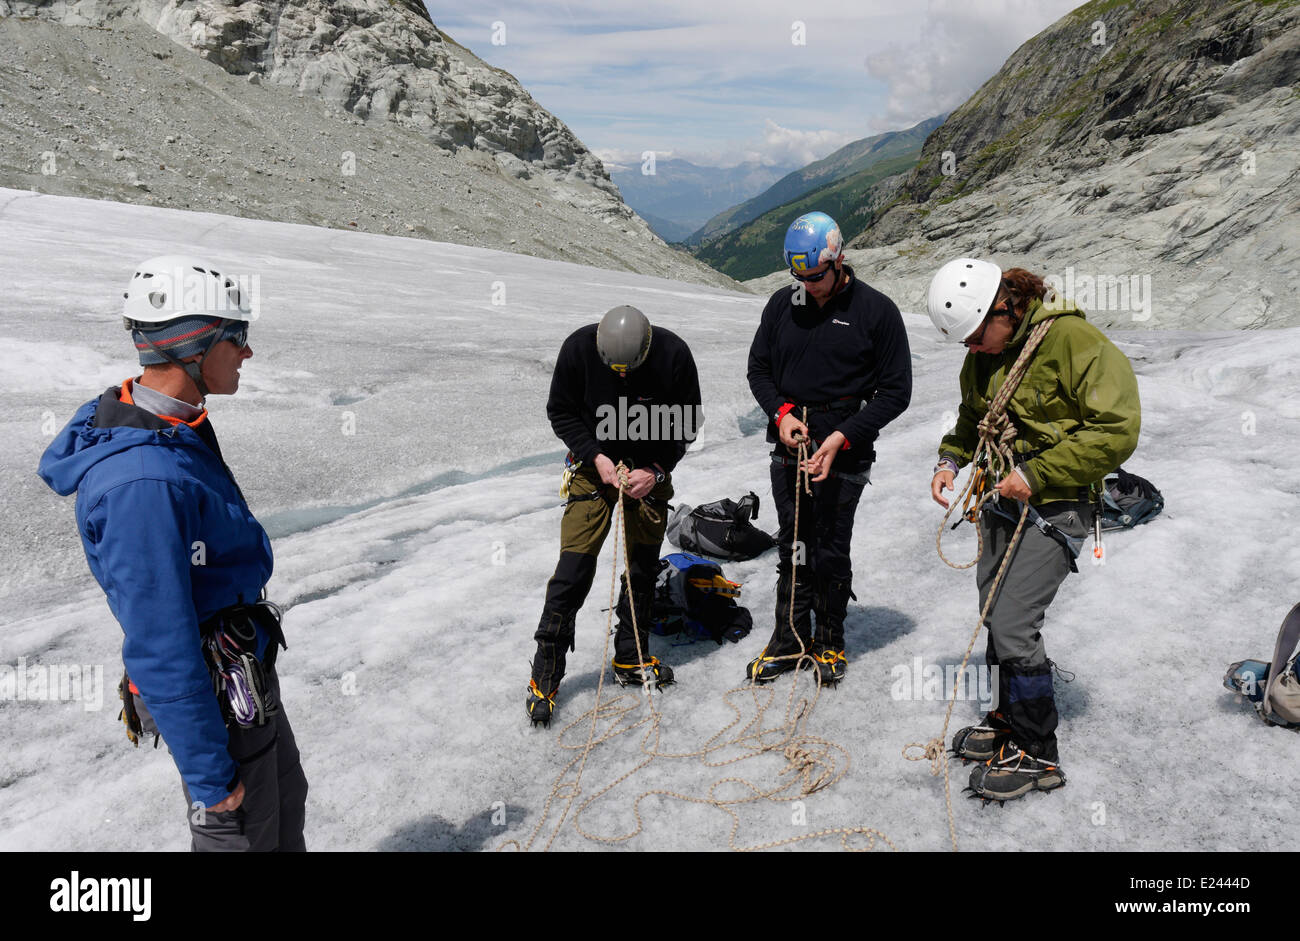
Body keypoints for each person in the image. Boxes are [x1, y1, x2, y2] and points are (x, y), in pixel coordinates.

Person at [38, 255, 307, 850]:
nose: (247, 352)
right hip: (216, 694)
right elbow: (161, 639)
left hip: (241, 674)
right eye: (237, 337)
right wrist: (211, 777)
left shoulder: (165, 422)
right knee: (241, 835)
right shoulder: (144, 483)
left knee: (286, 803)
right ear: (192, 345)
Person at [927, 258, 1140, 802]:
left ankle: (1039, 752)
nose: (972, 349)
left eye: (976, 336)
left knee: (1015, 620)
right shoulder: (986, 353)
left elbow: (1117, 429)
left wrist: (1037, 472)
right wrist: (950, 460)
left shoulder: (1071, 339)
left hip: (1058, 502)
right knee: (993, 612)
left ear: (1007, 307)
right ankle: (1006, 717)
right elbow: (974, 417)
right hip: (1003, 495)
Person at [745, 211, 912, 685]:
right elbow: (758, 370)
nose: (809, 285)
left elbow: (896, 391)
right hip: (791, 440)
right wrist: (781, 415)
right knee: (793, 542)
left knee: (830, 547)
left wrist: (843, 436)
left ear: (838, 260)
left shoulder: (875, 312)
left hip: (846, 441)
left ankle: (830, 639)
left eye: (816, 276)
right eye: (799, 276)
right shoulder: (782, 305)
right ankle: (789, 638)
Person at [527, 305, 702, 726]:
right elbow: (562, 412)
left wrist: (657, 471)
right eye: (614, 370)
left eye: (631, 369)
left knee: (641, 568)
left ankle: (631, 656)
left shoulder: (673, 355)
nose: (622, 376)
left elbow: (687, 424)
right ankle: (545, 675)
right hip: (593, 469)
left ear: (647, 347)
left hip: (648, 471)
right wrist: (596, 457)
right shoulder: (578, 349)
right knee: (574, 569)